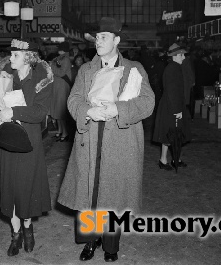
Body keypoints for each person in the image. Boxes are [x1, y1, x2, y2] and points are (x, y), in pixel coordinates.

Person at [58, 17, 155, 262]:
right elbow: (73, 100)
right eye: (97, 37)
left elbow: (147, 102)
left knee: (113, 194)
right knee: (90, 192)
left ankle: (111, 245)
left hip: (121, 141)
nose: (98, 41)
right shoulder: (87, 70)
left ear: (117, 40)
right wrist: (87, 111)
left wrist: (118, 110)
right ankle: (90, 242)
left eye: (104, 37)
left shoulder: (134, 69)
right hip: (90, 139)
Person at [0, 38, 54, 256]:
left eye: (16, 55)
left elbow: (39, 112)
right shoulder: (4, 75)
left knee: (25, 190)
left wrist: (14, 112)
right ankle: (16, 234)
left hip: (29, 143)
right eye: (11, 54)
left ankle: (28, 229)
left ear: (28, 58)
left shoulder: (42, 80)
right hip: (5, 142)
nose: (11, 58)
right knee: (9, 189)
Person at [152, 43, 192, 171]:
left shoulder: (174, 67)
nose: (184, 57)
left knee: (172, 133)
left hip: (172, 105)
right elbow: (172, 91)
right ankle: (166, 160)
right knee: (172, 133)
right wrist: (177, 111)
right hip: (172, 107)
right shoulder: (173, 68)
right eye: (182, 55)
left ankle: (173, 159)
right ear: (175, 56)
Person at [49, 41, 72, 142]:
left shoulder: (65, 59)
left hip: (62, 87)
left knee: (60, 111)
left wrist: (52, 67)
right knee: (56, 110)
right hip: (57, 86)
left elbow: (62, 73)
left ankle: (65, 133)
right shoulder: (59, 58)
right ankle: (60, 131)